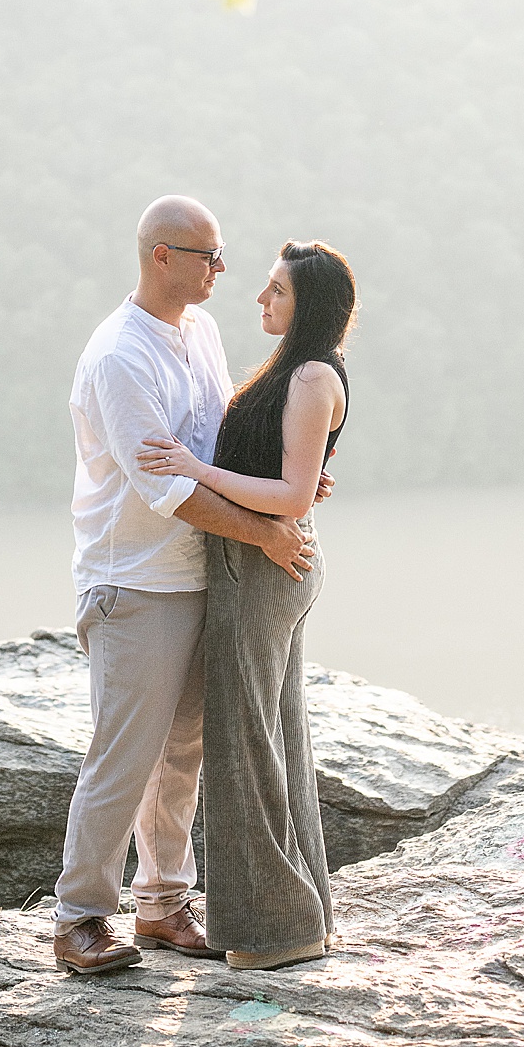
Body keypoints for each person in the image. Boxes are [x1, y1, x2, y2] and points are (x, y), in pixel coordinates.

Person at [52, 195, 319, 977]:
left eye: (222, 253)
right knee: (124, 754)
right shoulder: (118, 357)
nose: (223, 271)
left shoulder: (199, 332)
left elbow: (214, 441)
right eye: (208, 256)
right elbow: (166, 489)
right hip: (133, 583)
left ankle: (163, 903)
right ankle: (78, 918)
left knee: (183, 755)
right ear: (160, 256)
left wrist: (291, 484)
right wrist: (268, 533)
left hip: (200, 574)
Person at [138, 239, 354, 971]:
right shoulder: (295, 372)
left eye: (276, 292)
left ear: (309, 306)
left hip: (263, 570)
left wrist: (196, 469)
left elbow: (292, 495)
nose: (261, 301)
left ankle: (273, 929)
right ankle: (299, 916)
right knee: (273, 738)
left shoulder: (312, 376)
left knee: (245, 746)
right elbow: (288, 474)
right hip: (260, 564)